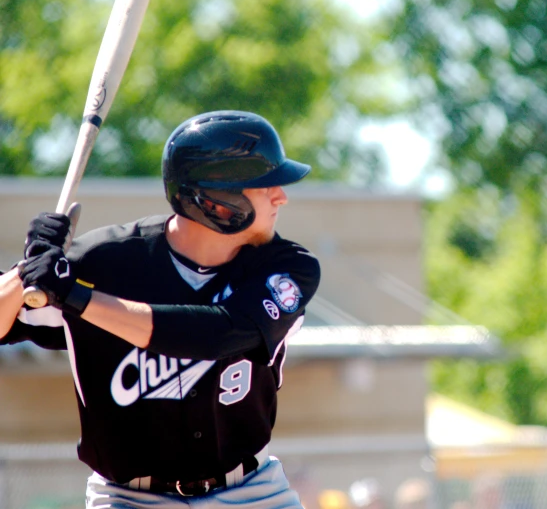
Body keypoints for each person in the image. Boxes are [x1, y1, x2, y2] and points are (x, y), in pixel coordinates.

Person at [0, 110, 321, 508]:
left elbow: (218, 334)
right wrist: (27, 271)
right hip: (129, 498)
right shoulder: (104, 262)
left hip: (250, 491)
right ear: (218, 202)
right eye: (265, 185)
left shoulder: (285, 267)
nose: (281, 196)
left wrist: (78, 297)